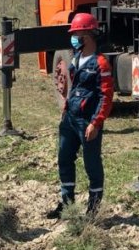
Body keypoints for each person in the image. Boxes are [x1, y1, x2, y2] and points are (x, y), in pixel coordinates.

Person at [46, 13, 114, 220]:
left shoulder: (101, 63)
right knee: (64, 158)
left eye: (77, 34)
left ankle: (93, 210)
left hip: (88, 122)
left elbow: (106, 96)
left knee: (91, 164)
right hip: (70, 119)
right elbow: (73, 88)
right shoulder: (76, 58)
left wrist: (96, 122)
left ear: (89, 35)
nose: (74, 38)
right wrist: (66, 110)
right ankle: (67, 205)